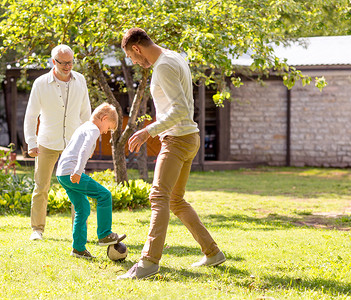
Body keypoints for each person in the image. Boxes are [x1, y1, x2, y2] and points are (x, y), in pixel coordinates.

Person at [118, 28, 226, 279]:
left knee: (158, 197)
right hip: (189, 138)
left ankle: (148, 262)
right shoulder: (175, 56)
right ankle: (213, 253)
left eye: (132, 57)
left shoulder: (163, 66)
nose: (134, 62)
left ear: (136, 48)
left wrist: (148, 131)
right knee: (175, 200)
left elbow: (180, 110)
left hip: (177, 139)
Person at [24, 45, 91, 241]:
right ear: (54, 62)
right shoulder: (40, 83)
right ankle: (37, 229)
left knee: (78, 187)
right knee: (41, 187)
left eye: (70, 62)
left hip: (74, 143)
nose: (68, 66)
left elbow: (86, 113)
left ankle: (79, 231)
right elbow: (30, 116)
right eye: (63, 63)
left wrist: (89, 141)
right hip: (46, 143)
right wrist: (31, 142)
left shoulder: (81, 81)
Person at [56, 103, 126, 259]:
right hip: (72, 172)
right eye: (108, 127)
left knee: (82, 209)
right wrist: (78, 171)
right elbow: (84, 148)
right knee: (104, 195)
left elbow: (73, 148)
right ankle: (105, 234)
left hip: (62, 173)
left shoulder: (84, 127)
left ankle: (78, 249)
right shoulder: (94, 129)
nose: (106, 132)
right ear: (104, 118)